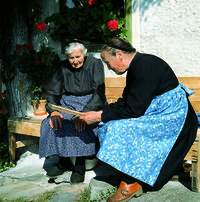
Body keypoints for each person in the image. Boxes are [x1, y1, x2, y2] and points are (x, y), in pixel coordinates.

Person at [79, 37, 198, 201]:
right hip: (158, 112)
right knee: (108, 125)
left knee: (121, 128)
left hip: (173, 117)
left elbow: (134, 109)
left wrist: (98, 115)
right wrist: (101, 113)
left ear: (119, 54)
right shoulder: (137, 66)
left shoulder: (144, 65)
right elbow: (127, 101)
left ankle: (131, 182)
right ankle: (126, 171)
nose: (109, 67)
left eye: (108, 62)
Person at [39, 39, 106, 184]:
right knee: (52, 122)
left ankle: (80, 165)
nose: (75, 61)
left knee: (81, 123)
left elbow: (99, 94)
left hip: (91, 102)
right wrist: (53, 112)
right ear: (67, 57)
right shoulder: (61, 67)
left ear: (84, 54)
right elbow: (52, 94)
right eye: (71, 58)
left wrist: (84, 114)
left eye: (78, 57)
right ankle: (63, 161)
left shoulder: (95, 64)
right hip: (68, 102)